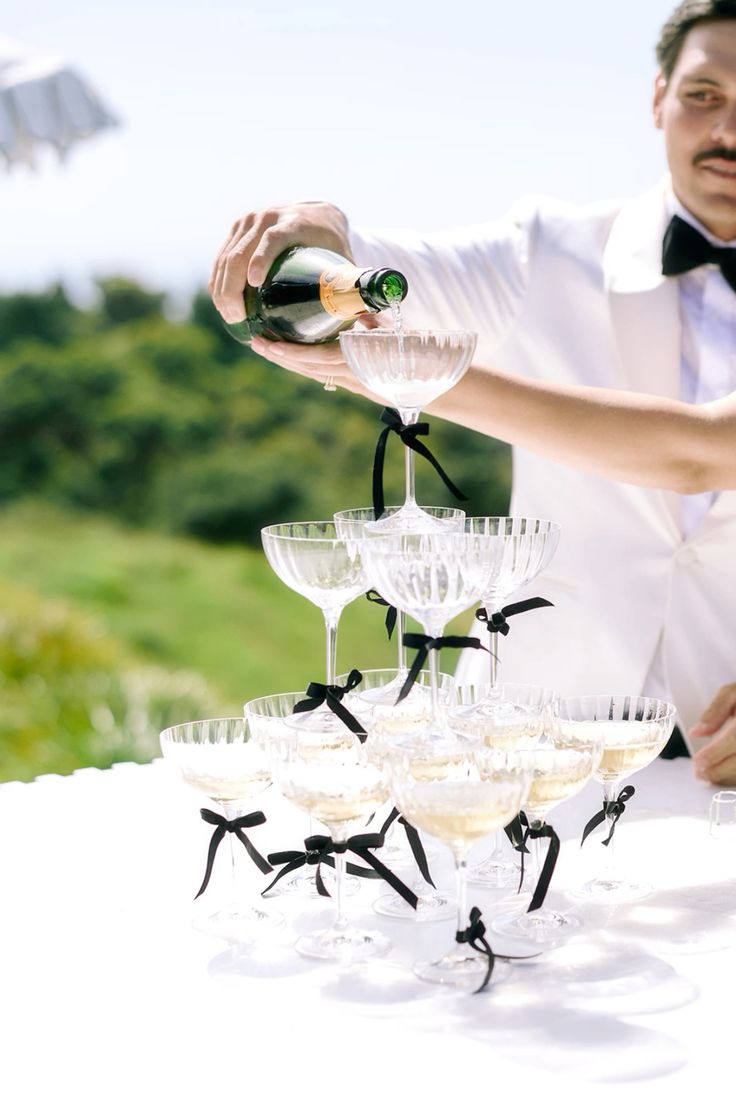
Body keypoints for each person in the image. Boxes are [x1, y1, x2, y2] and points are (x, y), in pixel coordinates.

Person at [209, 1, 736, 786]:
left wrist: (431, 377)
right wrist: (323, 231)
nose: (728, 130)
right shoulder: (542, 251)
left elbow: (701, 452)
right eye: (705, 95)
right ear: (658, 95)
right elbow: (384, 273)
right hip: (530, 744)